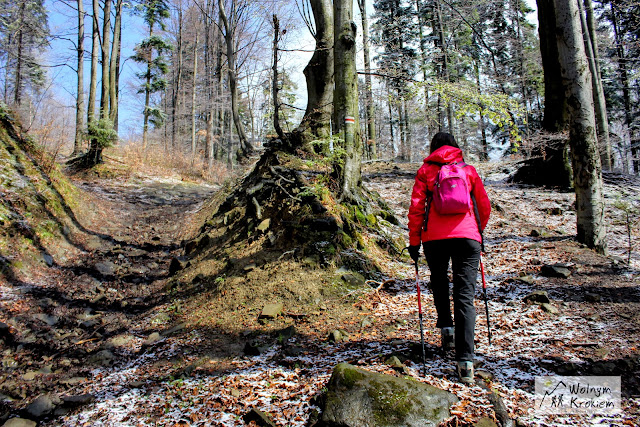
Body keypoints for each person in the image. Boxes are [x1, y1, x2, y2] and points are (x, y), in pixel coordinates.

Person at [407, 132, 491, 384]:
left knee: (440, 282)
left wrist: (414, 242)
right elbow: (483, 206)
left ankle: (446, 330)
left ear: (433, 148)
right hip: (467, 238)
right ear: (455, 147)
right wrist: (478, 231)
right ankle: (465, 362)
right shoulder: (468, 170)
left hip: (434, 239)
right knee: (465, 296)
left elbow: (416, 208)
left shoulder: (426, 172)